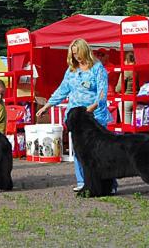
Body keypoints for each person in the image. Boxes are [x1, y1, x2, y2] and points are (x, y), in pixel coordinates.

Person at [35, 38, 114, 193]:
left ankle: (108, 185)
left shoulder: (97, 68)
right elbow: (62, 90)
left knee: (101, 152)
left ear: (85, 51)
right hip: (76, 118)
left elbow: (102, 92)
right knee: (79, 150)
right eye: (73, 54)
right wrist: (47, 106)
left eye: (78, 54)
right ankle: (82, 181)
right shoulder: (71, 70)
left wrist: (93, 106)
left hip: (94, 116)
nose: (76, 57)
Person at [115, 51, 137, 124]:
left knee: (126, 125)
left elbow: (119, 88)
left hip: (127, 99)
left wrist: (116, 89)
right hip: (137, 98)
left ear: (126, 60)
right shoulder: (137, 69)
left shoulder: (126, 71)